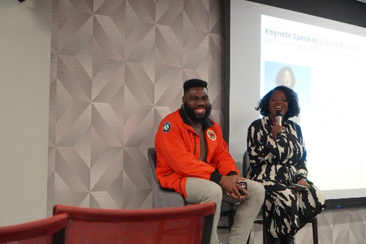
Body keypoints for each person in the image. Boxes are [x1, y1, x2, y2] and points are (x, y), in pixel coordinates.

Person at [155, 78, 265, 244]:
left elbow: (222, 156)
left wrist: (232, 177)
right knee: (213, 191)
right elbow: (181, 163)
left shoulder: (212, 126)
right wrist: (220, 179)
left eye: (204, 98)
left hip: (209, 178)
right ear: (184, 100)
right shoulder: (170, 125)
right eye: (194, 99)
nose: (201, 103)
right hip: (177, 177)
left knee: (256, 190)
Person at [246, 86, 325, 244]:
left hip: (290, 180)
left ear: (289, 105)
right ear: (267, 105)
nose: (278, 103)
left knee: (317, 198)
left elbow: (301, 158)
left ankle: (276, 234)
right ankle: (286, 240)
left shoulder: (296, 129)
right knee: (286, 196)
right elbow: (254, 157)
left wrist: (301, 177)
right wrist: (272, 136)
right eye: (274, 99)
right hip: (263, 178)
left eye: (283, 100)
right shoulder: (257, 127)